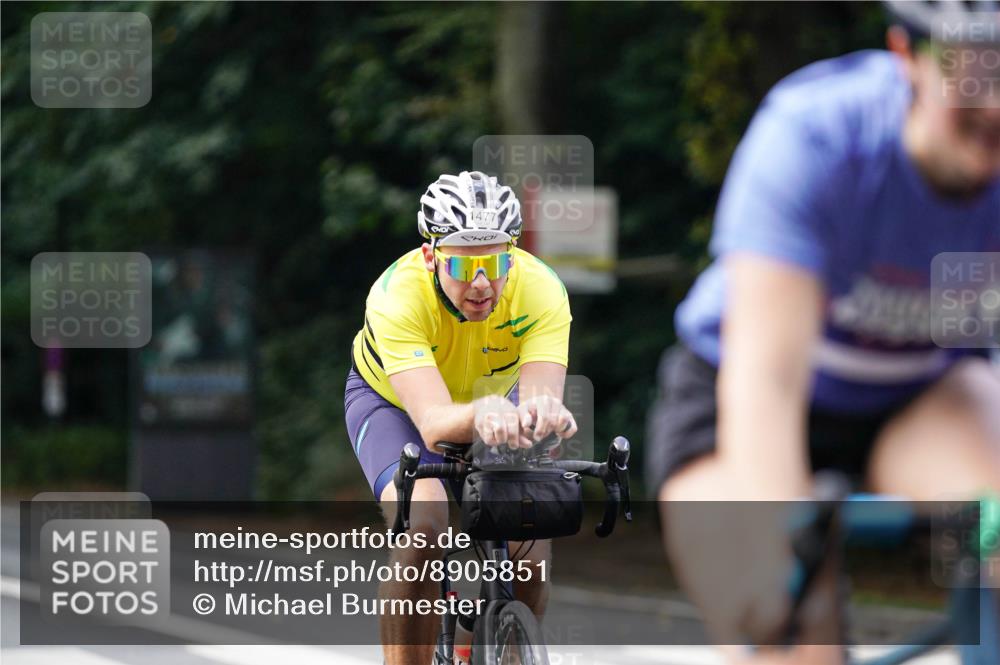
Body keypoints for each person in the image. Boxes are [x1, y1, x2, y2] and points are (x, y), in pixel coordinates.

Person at [647, 2, 1000, 663]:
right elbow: (767, 380)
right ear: (907, 56)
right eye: (976, 69)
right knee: (783, 619)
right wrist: (782, 545)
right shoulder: (817, 136)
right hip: (749, 395)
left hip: (922, 395)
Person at [345, 170, 578, 665]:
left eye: (495, 263)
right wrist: (490, 412)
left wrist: (544, 417)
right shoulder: (396, 296)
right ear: (431, 255)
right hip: (395, 406)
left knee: (530, 542)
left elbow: (537, 401)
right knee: (426, 524)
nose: (480, 283)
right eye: (461, 264)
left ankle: (509, 653)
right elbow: (432, 423)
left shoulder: (541, 290)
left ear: (512, 255)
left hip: (493, 407)